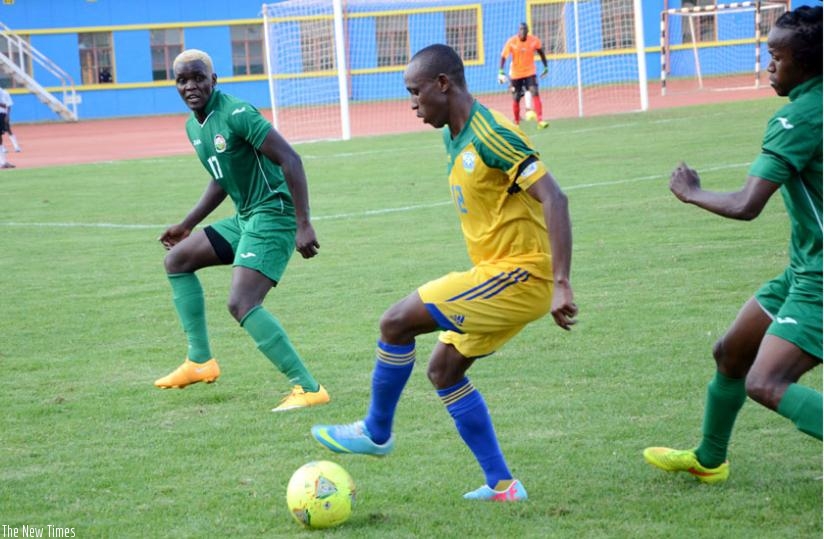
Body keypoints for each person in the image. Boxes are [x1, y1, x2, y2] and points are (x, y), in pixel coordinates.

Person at [311, 44, 577, 501]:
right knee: (444, 369)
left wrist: (561, 283)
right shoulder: (452, 135)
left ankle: (376, 431)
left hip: (524, 275)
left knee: (395, 322)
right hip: (499, 273)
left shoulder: (492, 133)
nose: (412, 104)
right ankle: (503, 485)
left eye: (415, 93)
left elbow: (555, 198)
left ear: (442, 84)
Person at [644, 5, 822, 484]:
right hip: (803, 267)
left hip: (820, 278)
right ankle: (710, 458)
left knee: (767, 382)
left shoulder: (798, 120)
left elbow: (747, 204)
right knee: (731, 353)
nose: (768, 67)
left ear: (805, 63)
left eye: (776, 57)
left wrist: (691, 192)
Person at [154, 49, 330, 413]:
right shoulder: (194, 126)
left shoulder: (237, 113)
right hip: (246, 217)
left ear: (213, 80)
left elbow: (290, 159)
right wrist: (187, 224)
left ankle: (308, 387)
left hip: (273, 215)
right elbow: (222, 179)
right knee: (178, 260)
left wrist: (303, 223)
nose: (191, 86)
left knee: (242, 303)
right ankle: (200, 361)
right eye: (182, 80)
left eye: (198, 77)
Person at [499, 22, 550, 129]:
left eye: (524, 30)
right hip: (516, 74)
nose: (522, 32)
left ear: (527, 31)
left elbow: (541, 53)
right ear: (518, 31)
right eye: (520, 29)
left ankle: (540, 120)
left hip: (530, 72)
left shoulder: (534, 40)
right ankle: (516, 123)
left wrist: (546, 67)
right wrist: (500, 71)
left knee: (535, 92)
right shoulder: (512, 42)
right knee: (516, 98)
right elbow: (503, 56)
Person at [0, 86, 21, 154]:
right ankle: (3, 148)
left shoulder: (4, 93)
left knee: (8, 129)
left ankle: (16, 146)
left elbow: (8, 105)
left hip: (3, 113)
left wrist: (7, 115)